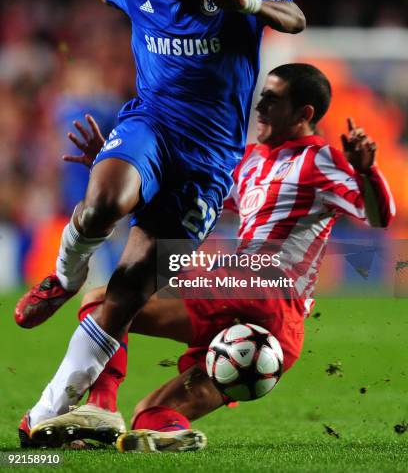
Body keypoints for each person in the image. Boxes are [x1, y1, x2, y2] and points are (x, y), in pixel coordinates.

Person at [15, 0, 305, 433]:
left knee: (125, 293)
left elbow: (295, 18)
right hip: (150, 125)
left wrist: (246, 4)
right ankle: (61, 277)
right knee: (103, 200)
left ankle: (53, 411)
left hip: (208, 159)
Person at [22, 64, 395, 453]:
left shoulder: (320, 158)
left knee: (103, 301)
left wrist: (366, 171)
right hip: (276, 332)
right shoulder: (249, 160)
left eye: (273, 98)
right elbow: (187, 195)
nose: (260, 106)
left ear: (305, 114)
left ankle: (100, 407)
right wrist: (116, 168)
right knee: (151, 415)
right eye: (261, 96)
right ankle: (167, 432)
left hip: (263, 286)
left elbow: (378, 216)